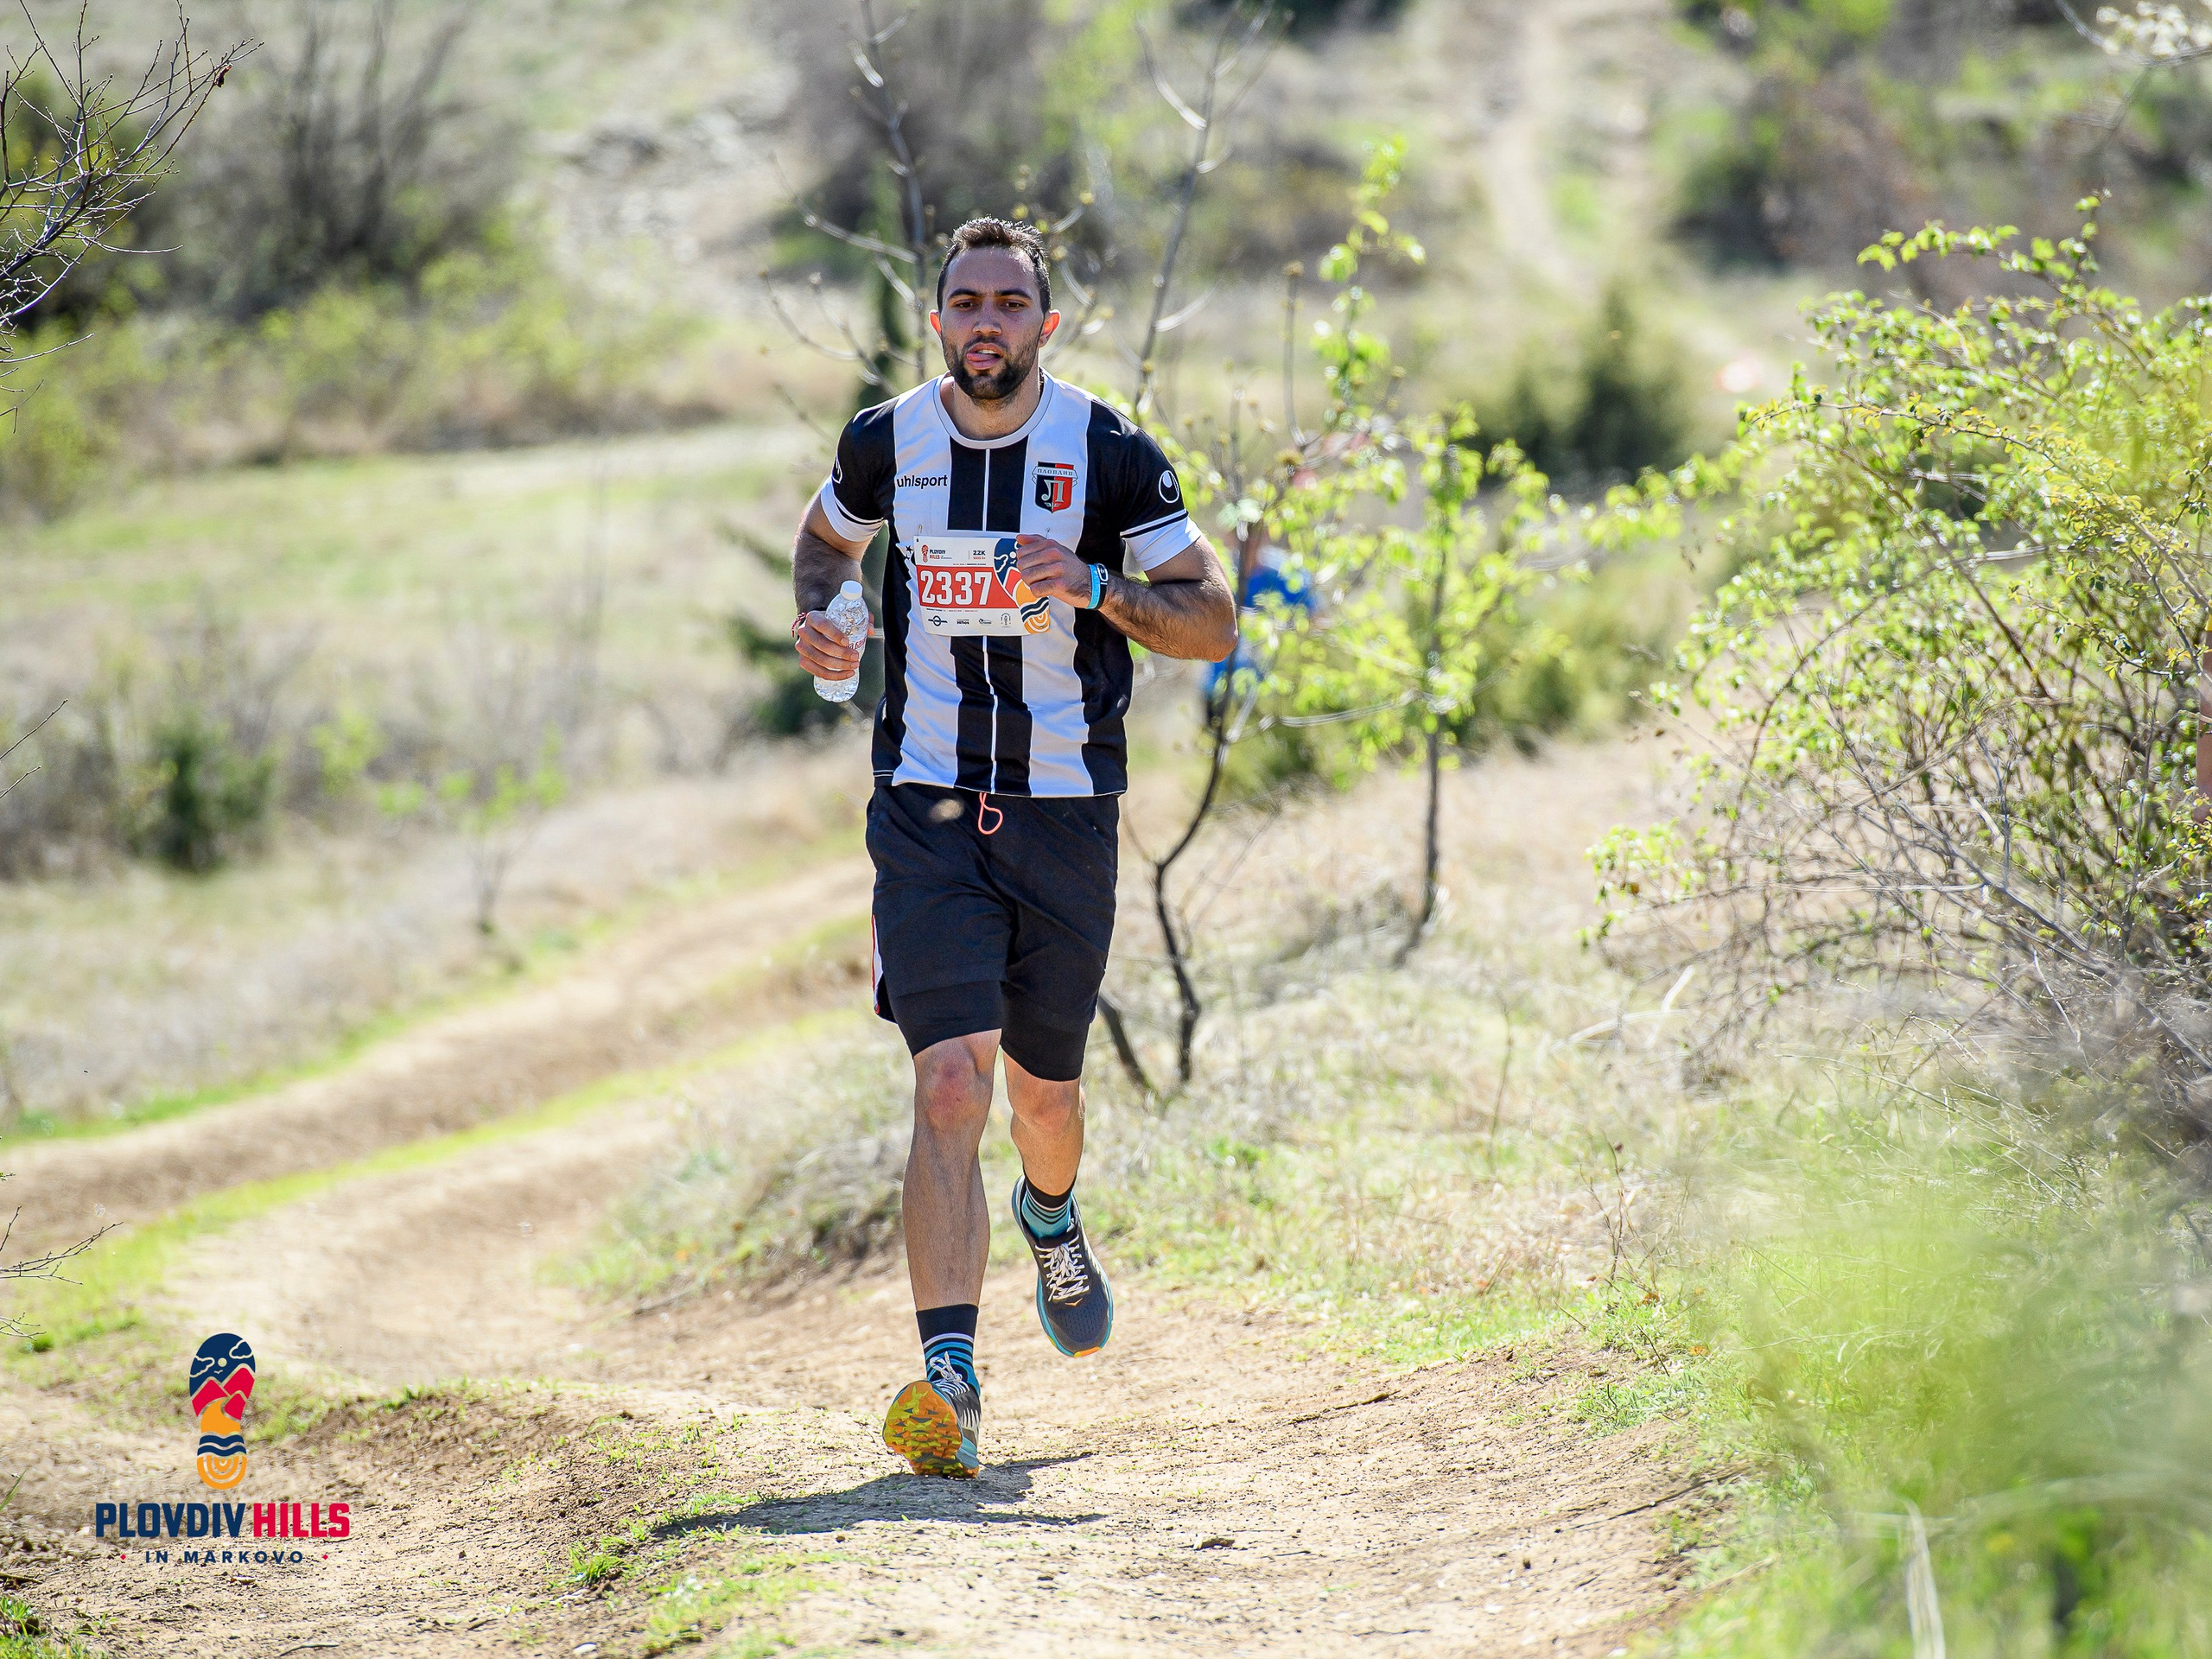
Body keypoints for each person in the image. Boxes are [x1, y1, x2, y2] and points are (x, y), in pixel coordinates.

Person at [789, 217, 1237, 1478]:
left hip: (1064, 808)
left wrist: (1092, 586)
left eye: (1010, 303)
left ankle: (1053, 1215)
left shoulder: (1107, 449)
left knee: (1044, 1097)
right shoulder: (888, 441)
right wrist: (818, 619)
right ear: (938, 321)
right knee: (947, 1085)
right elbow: (828, 543)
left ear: (1047, 322)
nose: (986, 321)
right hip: (924, 801)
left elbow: (1210, 622)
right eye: (965, 302)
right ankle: (951, 1382)